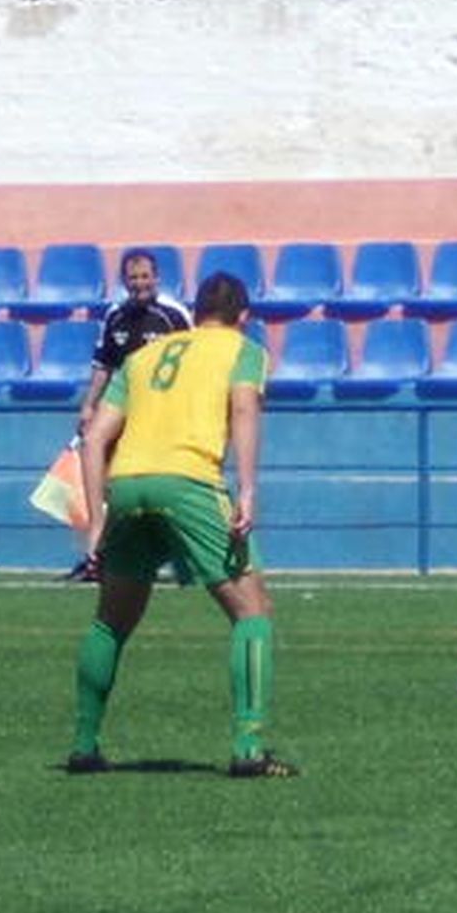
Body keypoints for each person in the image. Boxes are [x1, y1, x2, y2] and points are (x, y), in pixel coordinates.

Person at [65, 271, 293, 778]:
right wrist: (247, 490)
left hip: (128, 484)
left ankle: (84, 745)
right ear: (243, 316)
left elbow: (95, 437)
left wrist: (97, 519)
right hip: (188, 481)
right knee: (253, 610)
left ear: (196, 311)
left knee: (111, 621)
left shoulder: (145, 356)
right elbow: (243, 409)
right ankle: (249, 748)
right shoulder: (244, 350)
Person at [65, 248, 193, 582]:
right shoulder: (115, 315)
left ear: (157, 278)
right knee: (93, 445)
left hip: (163, 407)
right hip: (123, 401)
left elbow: (195, 362)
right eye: (133, 278)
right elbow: (103, 364)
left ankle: (180, 552)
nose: (139, 283)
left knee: (161, 479)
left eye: (145, 276)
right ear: (124, 281)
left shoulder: (174, 315)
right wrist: (89, 405)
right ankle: (96, 549)